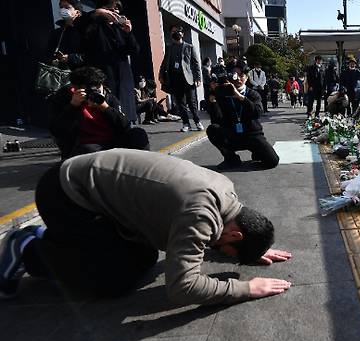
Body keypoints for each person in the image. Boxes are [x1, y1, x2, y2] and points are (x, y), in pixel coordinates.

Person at [0, 149, 293, 302]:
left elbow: (211, 239)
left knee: (145, 258)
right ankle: (29, 249)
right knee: (113, 282)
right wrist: (245, 289)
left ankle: (58, 242)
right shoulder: (200, 214)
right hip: (65, 196)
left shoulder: (226, 192)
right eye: (229, 251)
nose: (221, 255)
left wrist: (251, 248)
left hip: (96, 189)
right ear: (234, 232)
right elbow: (182, 288)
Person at [48, 66, 150, 159]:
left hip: (112, 141)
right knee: (89, 151)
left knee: (139, 134)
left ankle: (143, 168)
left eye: (97, 87)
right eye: (88, 89)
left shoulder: (108, 97)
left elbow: (125, 126)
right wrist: (73, 106)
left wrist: (106, 108)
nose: (93, 92)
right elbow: (57, 130)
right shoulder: (65, 97)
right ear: (76, 87)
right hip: (84, 145)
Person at [205, 61, 279, 170]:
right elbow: (217, 120)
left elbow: (257, 113)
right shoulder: (223, 94)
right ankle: (231, 158)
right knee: (212, 129)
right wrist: (213, 99)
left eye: (241, 75)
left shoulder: (253, 94)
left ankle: (257, 151)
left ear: (246, 77)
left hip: (252, 134)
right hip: (232, 134)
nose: (238, 78)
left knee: (272, 161)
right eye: (235, 75)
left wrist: (239, 96)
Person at [82, 0, 140, 124]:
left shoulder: (120, 28)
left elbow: (134, 50)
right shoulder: (94, 25)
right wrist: (97, 13)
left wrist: (129, 33)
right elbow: (79, 23)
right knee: (106, 112)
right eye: (111, 9)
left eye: (117, 9)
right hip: (104, 75)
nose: (115, 12)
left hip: (123, 76)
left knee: (125, 113)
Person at [158, 25, 204, 133]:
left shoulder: (189, 47)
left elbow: (196, 64)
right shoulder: (169, 47)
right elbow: (164, 63)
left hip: (188, 79)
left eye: (178, 31)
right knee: (181, 104)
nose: (176, 33)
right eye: (173, 31)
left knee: (192, 102)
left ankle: (197, 121)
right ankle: (186, 123)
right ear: (171, 34)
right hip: (174, 79)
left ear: (182, 34)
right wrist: (161, 75)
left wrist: (198, 78)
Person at [47, 0, 89, 71]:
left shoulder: (86, 31)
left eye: (67, 7)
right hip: (58, 75)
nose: (63, 10)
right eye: (61, 7)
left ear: (77, 12)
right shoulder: (57, 32)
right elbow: (48, 52)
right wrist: (52, 60)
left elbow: (91, 55)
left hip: (79, 74)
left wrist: (70, 58)